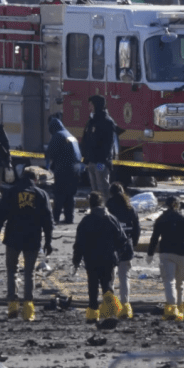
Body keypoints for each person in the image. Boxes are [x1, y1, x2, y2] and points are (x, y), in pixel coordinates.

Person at [0, 168, 54, 322]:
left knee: (12, 270)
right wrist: (48, 241)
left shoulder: (11, 192)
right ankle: (28, 309)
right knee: (29, 272)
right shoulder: (41, 194)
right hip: (32, 238)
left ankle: (12, 305)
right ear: (36, 180)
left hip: (13, 237)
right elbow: (48, 220)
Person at [72, 191, 128, 323]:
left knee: (92, 285)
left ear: (90, 205)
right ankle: (109, 311)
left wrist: (76, 260)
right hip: (108, 257)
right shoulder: (111, 218)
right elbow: (122, 239)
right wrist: (118, 254)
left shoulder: (86, 221)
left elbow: (79, 243)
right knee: (107, 284)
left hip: (91, 258)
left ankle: (92, 313)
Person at [147, 195, 184, 322]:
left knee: (169, 281)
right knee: (180, 283)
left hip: (166, 252)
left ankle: (171, 308)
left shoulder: (161, 219)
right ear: (178, 205)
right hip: (182, 253)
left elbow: (154, 238)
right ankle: (180, 308)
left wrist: (150, 254)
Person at [106, 182, 141, 319]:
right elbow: (137, 227)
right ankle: (125, 305)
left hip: (111, 246)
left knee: (110, 276)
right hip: (126, 245)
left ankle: (111, 305)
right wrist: (134, 242)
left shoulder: (109, 206)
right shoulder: (129, 207)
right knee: (124, 276)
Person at [45, 116, 82, 224]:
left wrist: (49, 167)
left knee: (59, 194)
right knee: (70, 195)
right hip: (76, 169)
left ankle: (55, 217)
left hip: (64, 169)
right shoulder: (70, 135)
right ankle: (69, 218)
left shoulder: (57, 135)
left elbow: (50, 153)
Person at [81, 95, 117, 200]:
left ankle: (105, 210)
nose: (89, 107)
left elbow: (108, 144)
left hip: (100, 163)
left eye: (91, 104)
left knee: (103, 187)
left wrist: (102, 160)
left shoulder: (107, 122)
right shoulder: (91, 120)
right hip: (91, 161)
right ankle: (96, 209)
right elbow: (86, 139)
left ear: (97, 105)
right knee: (94, 190)